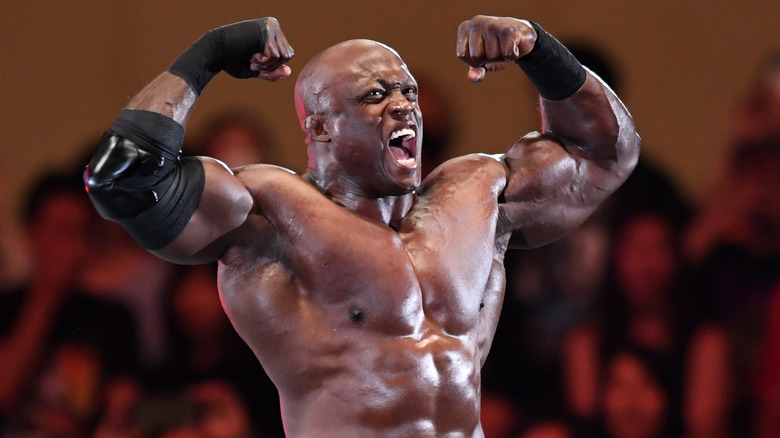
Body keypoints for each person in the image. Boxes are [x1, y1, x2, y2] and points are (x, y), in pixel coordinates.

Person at [83, 15, 640, 437]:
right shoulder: (270, 213)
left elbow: (609, 153)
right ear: (320, 127)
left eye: (408, 93)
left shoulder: (478, 195)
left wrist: (539, 51)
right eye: (376, 95)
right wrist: (208, 55)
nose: (404, 107)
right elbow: (123, 179)